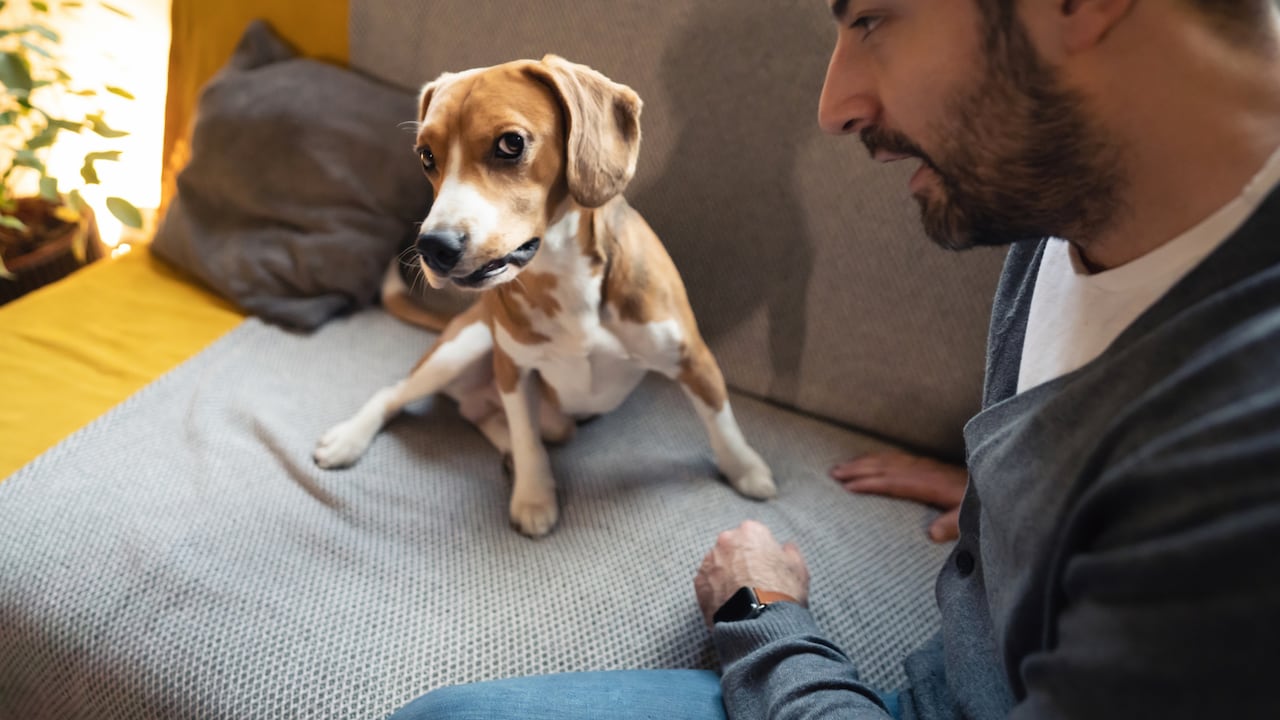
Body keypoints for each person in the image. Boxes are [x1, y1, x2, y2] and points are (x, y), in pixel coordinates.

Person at [391, 0, 1280, 717]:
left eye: (873, 20)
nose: (834, 106)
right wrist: (1030, 497)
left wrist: (764, 618)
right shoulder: (1067, 204)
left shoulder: (1237, 475)